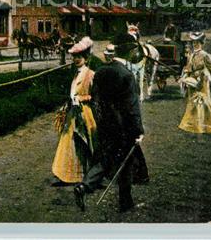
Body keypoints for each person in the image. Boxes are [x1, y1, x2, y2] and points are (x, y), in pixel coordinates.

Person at [74, 35, 147, 213]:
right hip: (124, 128)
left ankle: (84, 186)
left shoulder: (101, 72)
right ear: (130, 52)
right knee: (126, 163)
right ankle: (125, 202)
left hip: (105, 124)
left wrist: (101, 122)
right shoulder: (127, 75)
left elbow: (96, 100)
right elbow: (132, 108)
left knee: (105, 159)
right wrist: (138, 130)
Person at [51, 36, 96, 185]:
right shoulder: (75, 74)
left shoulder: (90, 74)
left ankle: (88, 174)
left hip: (84, 113)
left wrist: (82, 99)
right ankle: (69, 174)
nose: (77, 59)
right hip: (73, 113)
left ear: (86, 58)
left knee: (86, 142)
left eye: (80, 57)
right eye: (75, 57)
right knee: (69, 142)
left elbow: (94, 95)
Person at [178, 31, 211, 134]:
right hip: (192, 80)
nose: (195, 44)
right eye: (194, 42)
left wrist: (204, 73)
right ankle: (193, 125)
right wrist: (186, 75)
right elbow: (189, 67)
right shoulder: (192, 55)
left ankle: (205, 125)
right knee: (192, 101)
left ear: (201, 43)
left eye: (197, 42)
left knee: (202, 101)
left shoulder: (205, 55)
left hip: (202, 81)